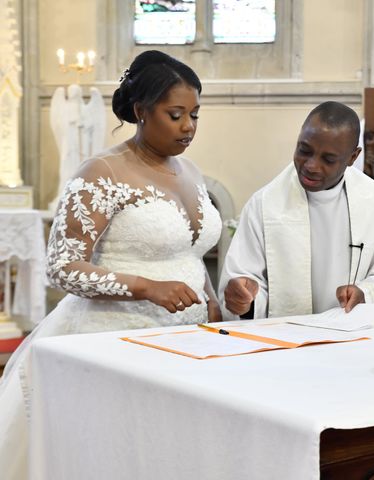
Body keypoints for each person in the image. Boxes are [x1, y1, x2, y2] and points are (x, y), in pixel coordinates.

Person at [0, 50, 222, 479]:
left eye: (195, 114)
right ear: (141, 111)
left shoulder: (191, 170)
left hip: (190, 343)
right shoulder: (102, 171)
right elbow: (62, 266)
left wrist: (213, 302)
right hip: (117, 340)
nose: (189, 126)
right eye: (176, 114)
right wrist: (146, 286)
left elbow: (189, 253)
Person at [219, 101, 374, 320]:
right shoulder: (264, 203)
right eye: (304, 150)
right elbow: (244, 281)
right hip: (286, 341)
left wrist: (365, 293)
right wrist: (244, 300)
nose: (311, 165)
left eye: (328, 159)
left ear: (353, 157)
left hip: (351, 337)